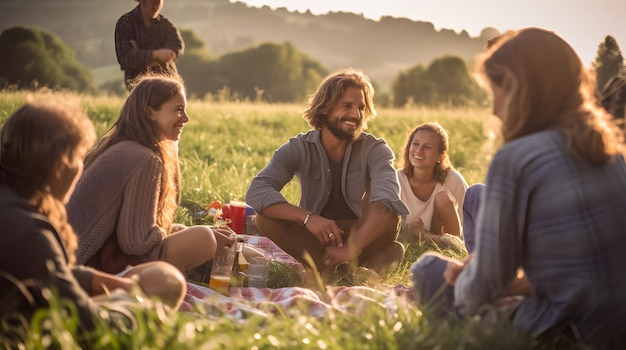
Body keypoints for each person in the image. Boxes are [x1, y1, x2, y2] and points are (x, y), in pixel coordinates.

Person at [411, 27, 626, 347]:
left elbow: (480, 291)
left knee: (428, 268)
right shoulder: (612, 152)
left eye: (496, 91)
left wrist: (466, 279)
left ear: (519, 90)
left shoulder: (517, 158)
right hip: (617, 322)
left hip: (562, 330)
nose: (495, 108)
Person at [0, 99, 186, 341]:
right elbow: (87, 326)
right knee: (159, 291)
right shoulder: (30, 233)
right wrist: (151, 313)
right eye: (79, 157)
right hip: (27, 337)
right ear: (58, 167)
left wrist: (94, 280)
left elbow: (35, 272)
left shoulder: (12, 206)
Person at [245, 68, 409, 277]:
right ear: (325, 108)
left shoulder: (376, 149)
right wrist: (308, 218)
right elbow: (257, 191)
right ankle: (358, 270)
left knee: (389, 215)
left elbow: (387, 201)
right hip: (316, 236)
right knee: (264, 218)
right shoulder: (299, 147)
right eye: (347, 106)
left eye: (360, 107)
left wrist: (350, 248)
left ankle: (330, 268)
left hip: (360, 234)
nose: (355, 114)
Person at [67, 74, 235, 276]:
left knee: (196, 234)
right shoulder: (143, 157)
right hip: (89, 269)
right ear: (150, 112)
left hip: (82, 258)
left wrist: (179, 232)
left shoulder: (124, 147)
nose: (186, 118)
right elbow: (135, 244)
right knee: (204, 239)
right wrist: (201, 238)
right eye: (178, 110)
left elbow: (128, 232)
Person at [396, 122, 467, 248]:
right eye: (415, 144)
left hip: (448, 245)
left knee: (443, 198)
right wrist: (407, 230)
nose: (419, 150)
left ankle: (452, 251)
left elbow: (468, 224)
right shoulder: (396, 179)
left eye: (427, 147)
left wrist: (426, 236)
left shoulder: (453, 180)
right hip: (407, 244)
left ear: (441, 155)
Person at [115, 0, 184, 89]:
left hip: (168, 83)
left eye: (159, 2)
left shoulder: (165, 24)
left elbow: (177, 46)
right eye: (154, 2)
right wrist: (158, 56)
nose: (157, 6)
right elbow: (125, 57)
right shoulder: (125, 23)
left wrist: (140, 55)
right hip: (139, 87)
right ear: (141, 1)